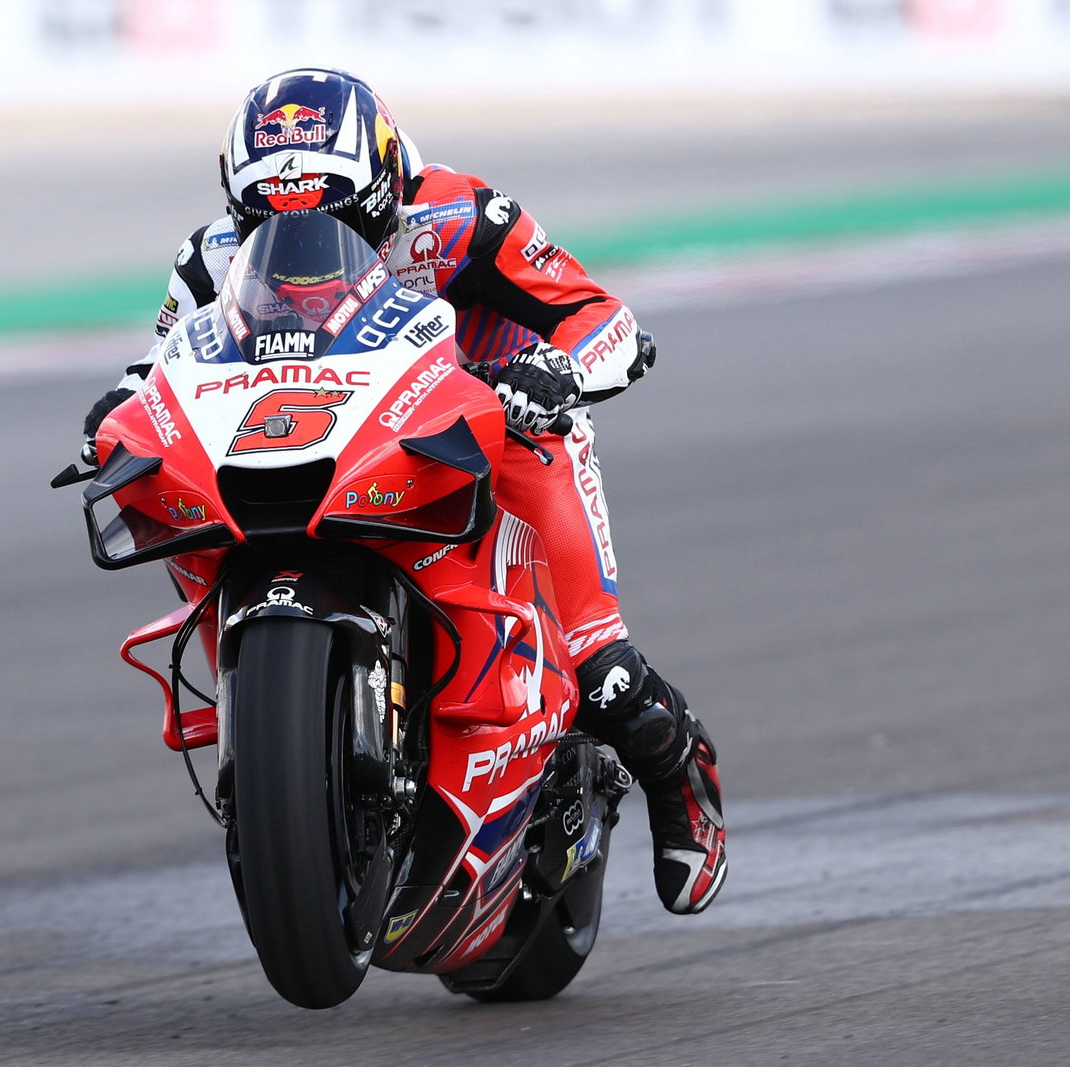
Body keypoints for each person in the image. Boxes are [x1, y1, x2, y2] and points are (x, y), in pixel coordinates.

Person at [81, 67, 727, 915]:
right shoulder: (209, 259)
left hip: (493, 426)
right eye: (270, 219)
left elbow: (603, 317)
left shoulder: (464, 216)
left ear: (385, 187)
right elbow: (158, 367)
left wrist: (554, 373)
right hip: (320, 440)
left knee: (598, 666)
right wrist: (118, 412)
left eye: (333, 216)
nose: (301, 241)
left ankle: (674, 763)